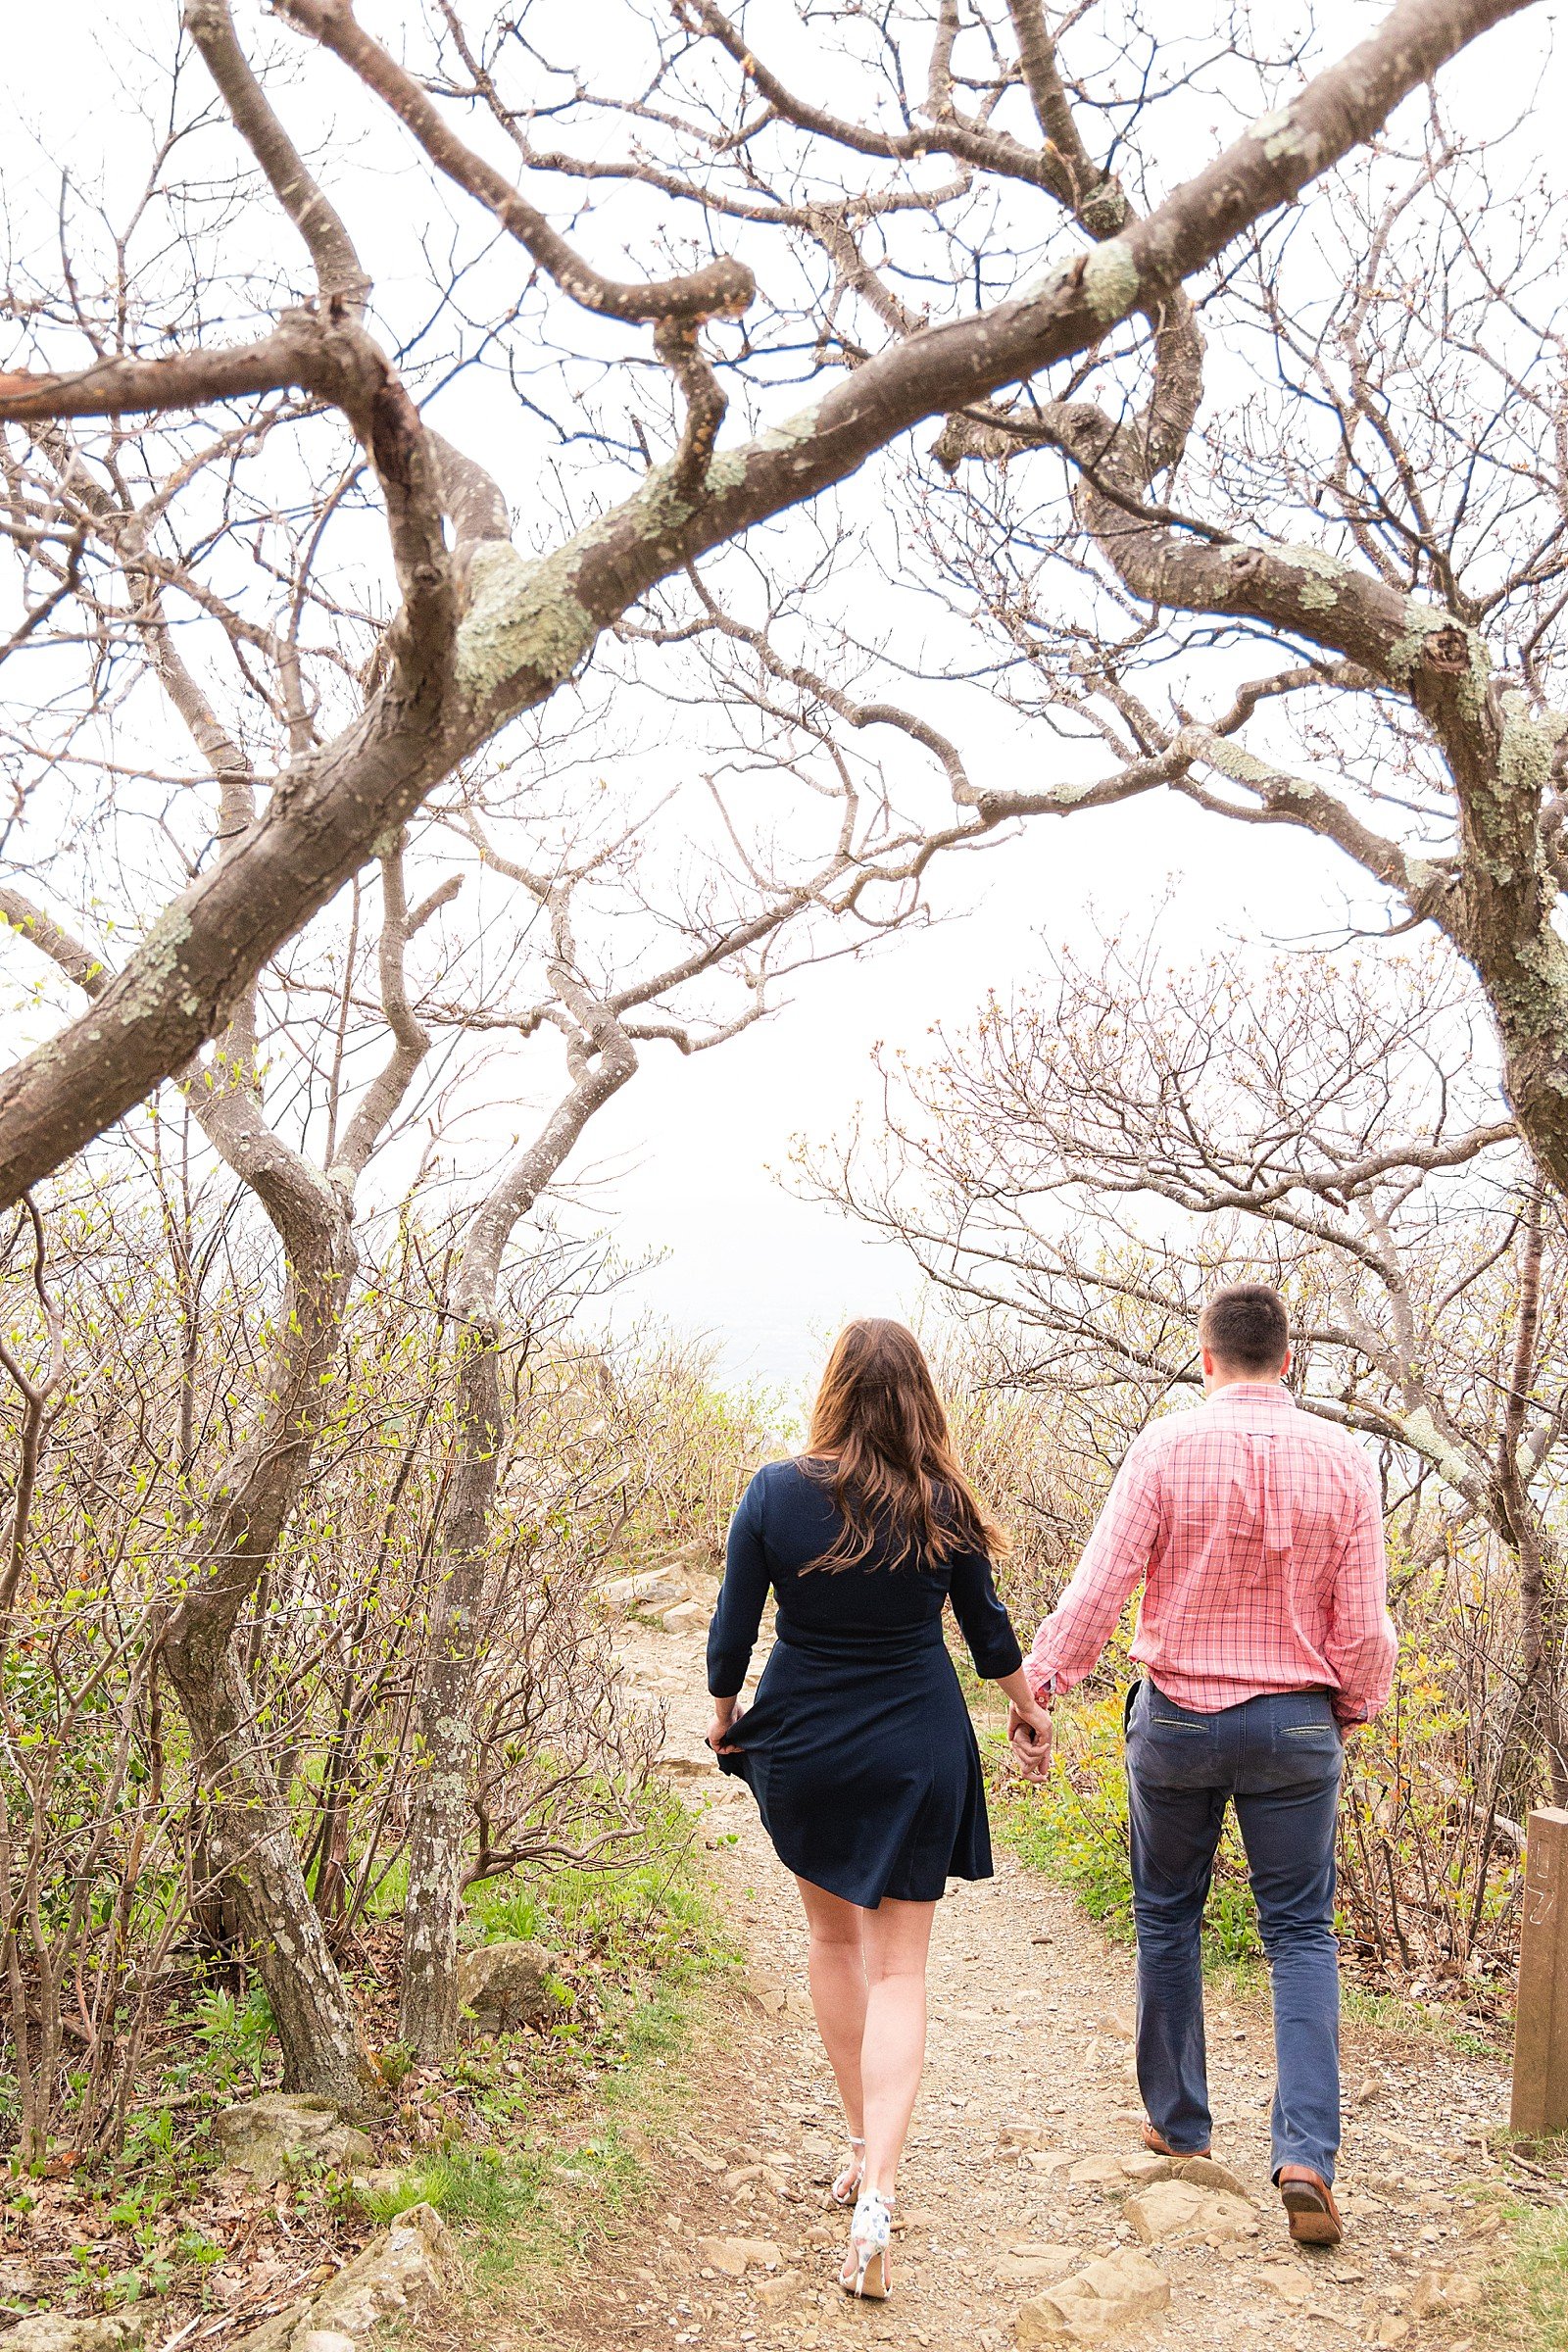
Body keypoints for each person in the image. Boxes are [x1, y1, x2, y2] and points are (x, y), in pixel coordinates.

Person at [1009, 1283, 1396, 2248]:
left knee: (1167, 1913)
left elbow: (1100, 1586)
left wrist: (1040, 1689)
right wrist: (1345, 1709)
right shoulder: (1345, 1460)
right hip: (1295, 1723)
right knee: (1300, 1936)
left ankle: (1179, 2125)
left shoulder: (1166, 1447)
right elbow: (1366, 1626)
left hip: (1176, 1719)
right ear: (1290, 1359)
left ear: (1206, 1355)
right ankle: (1305, 2154)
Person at [706, 1319, 1050, 2301]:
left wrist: (725, 1716)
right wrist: (1030, 1715)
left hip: (808, 1743)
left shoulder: (775, 1491)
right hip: (917, 1746)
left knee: (832, 1946)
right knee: (901, 1970)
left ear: (833, 1389)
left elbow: (733, 1624)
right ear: (918, 1399)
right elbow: (988, 1636)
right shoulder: (941, 1502)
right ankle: (881, 2195)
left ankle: (859, 2142)